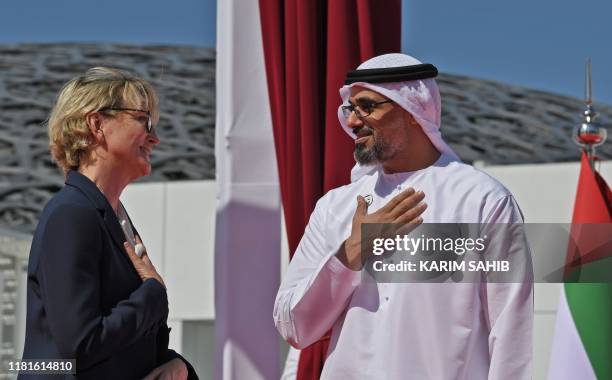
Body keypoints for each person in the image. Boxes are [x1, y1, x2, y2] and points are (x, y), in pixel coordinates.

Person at [274, 53, 533, 379]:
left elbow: (510, 331)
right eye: (350, 109)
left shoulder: (481, 200)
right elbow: (294, 326)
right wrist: (351, 252)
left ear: (413, 108)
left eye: (367, 107)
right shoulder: (335, 206)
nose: (353, 122)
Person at [20, 67, 198, 380]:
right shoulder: (72, 214)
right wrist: (153, 293)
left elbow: (120, 342)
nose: (155, 138)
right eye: (144, 120)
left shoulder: (111, 218)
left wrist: (177, 367)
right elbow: (81, 346)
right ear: (97, 124)